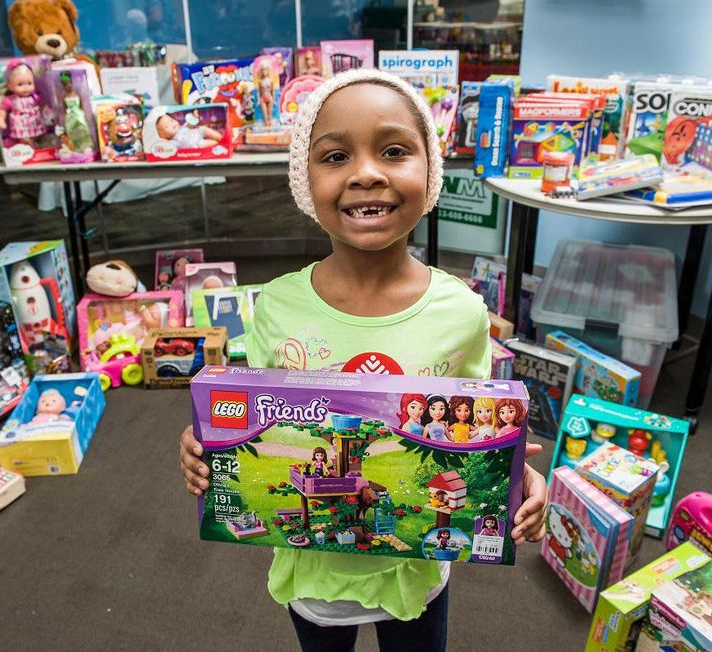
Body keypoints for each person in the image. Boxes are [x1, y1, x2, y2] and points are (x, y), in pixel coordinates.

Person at [179, 68, 547, 652]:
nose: (367, 173)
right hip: (314, 576)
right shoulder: (274, 304)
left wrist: (517, 477)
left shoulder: (461, 311)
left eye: (395, 150)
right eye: (335, 156)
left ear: (430, 172)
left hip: (418, 572)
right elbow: (242, 410)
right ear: (305, 181)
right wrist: (203, 444)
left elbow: (480, 424)